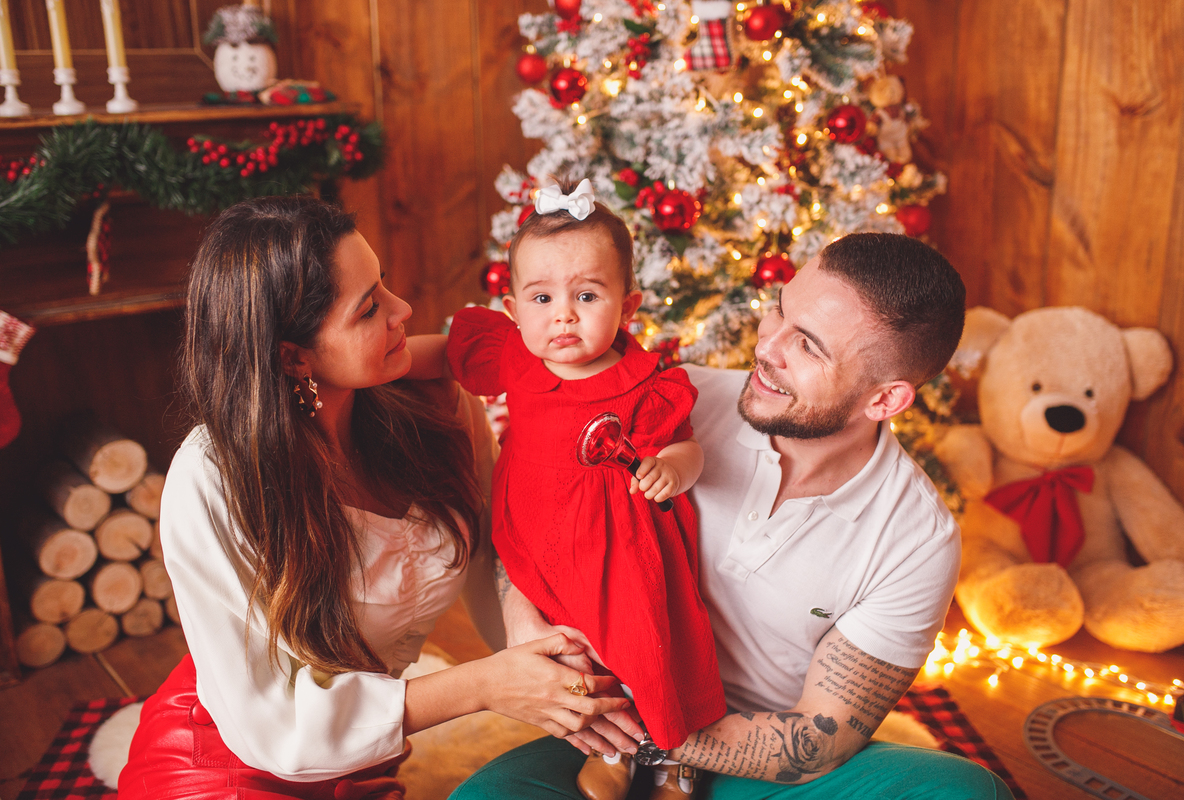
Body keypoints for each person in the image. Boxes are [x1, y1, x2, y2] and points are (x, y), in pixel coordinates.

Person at [452, 232, 1016, 799]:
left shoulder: (916, 537)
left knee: (965, 792)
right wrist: (525, 631)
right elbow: (534, 510)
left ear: (885, 400)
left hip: (741, 762)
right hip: (599, 723)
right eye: (779, 310)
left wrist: (656, 730)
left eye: (810, 347)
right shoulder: (669, 403)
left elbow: (818, 740)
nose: (767, 346)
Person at [118, 196, 631, 800]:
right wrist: (487, 685)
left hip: (368, 753)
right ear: (292, 356)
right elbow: (269, 723)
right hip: (230, 759)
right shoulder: (215, 480)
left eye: (383, 284)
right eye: (369, 309)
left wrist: (540, 652)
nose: (403, 310)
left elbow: (503, 546)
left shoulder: (434, 404)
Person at [444, 179, 727, 800]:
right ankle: (611, 748)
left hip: (619, 550)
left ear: (628, 307)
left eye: (587, 295)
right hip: (538, 537)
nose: (563, 314)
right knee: (572, 655)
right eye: (541, 297)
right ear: (514, 309)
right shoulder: (517, 356)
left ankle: (672, 758)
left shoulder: (641, 383)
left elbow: (686, 444)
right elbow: (442, 354)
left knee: (640, 653)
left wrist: (675, 469)